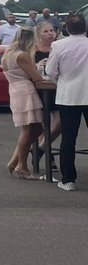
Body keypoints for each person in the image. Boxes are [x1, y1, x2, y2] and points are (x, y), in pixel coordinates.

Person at [47, 14, 88, 192]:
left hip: (69, 96)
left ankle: (68, 179)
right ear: (85, 27)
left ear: (66, 28)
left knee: (68, 139)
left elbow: (50, 70)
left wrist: (60, 79)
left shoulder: (58, 45)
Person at [3, 29, 44, 180]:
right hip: (26, 91)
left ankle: (16, 161)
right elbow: (36, 77)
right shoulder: (22, 55)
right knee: (30, 129)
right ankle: (21, 165)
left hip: (15, 90)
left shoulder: (8, 54)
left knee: (33, 128)